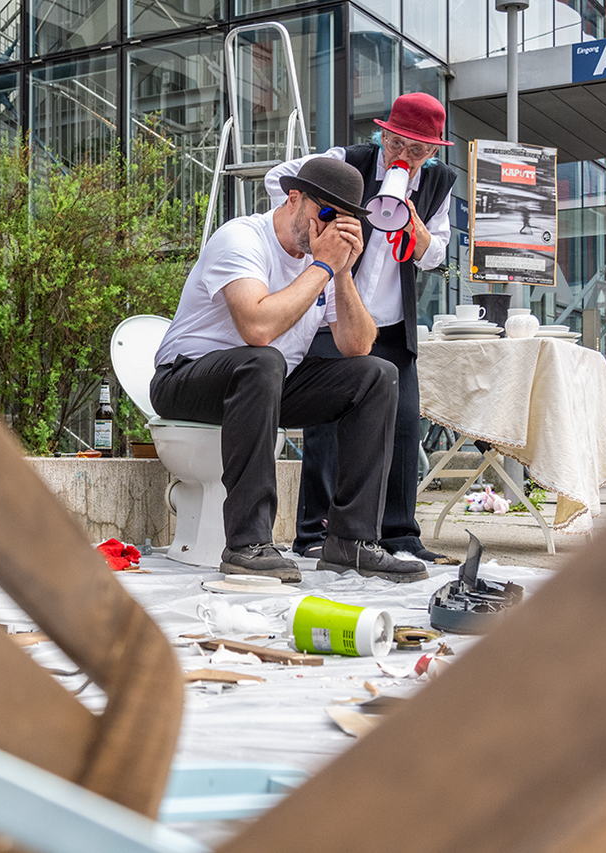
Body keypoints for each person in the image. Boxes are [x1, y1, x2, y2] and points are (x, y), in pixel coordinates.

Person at [149, 157, 428, 584]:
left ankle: (351, 541)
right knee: (263, 360)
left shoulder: (325, 261)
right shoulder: (242, 238)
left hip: (266, 382)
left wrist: (343, 273)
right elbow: (257, 328)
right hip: (186, 377)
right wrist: (320, 267)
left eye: (346, 221)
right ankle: (247, 544)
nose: (331, 229)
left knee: (377, 374)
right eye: (327, 214)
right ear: (293, 199)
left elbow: (357, 345)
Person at [264, 92, 459, 565]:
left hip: (391, 324)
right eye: (396, 144)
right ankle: (313, 532)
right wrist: (318, 224)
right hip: (335, 314)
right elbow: (278, 179)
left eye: (417, 151)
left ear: (432, 152)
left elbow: (436, 257)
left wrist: (416, 227)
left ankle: (398, 536)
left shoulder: (438, 183)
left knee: (401, 424)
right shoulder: (345, 163)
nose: (403, 158)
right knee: (328, 425)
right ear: (383, 133)